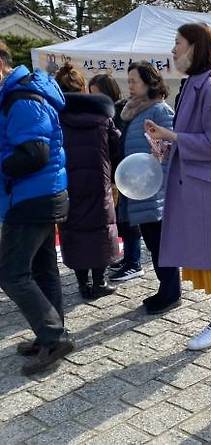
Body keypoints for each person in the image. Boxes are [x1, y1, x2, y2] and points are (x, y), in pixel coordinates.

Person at [145, 23, 211, 348]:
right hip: (200, 185)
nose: (174, 49)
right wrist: (163, 144)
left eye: (178, 43)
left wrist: (172, 136)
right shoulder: (192, 84)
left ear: (195, 47)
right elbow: (195, 137)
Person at [0, 41, 73, 375]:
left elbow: (34, 153)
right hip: (44, 194)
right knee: (43, 269)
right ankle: (51, 335)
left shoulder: (21, 98)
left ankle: (52, 335)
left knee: (12, 273)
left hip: (32, 197)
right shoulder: (23, 93)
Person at [116, 61, 181, 314]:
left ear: (149, 82)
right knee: (153, 243)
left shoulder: (160, 110)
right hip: (139, 187)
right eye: (129, 81)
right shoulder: (133, 110)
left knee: (159, 243)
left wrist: (157, 184)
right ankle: (165, 288)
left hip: (155, 189)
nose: (130, 85)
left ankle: (170, 292)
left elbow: (169, 150)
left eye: (134, 81)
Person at [55, 63, 120, 300]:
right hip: (97, 182)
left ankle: (83, 283)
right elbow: (116, 146)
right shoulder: (102, 116)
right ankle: (100, 281)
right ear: (83, 88)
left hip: (67, 183)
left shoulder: (55, 117)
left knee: (73, 230)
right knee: (100, 229)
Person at [88, 74, 144, 282]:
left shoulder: (120, 110)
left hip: (126, 170)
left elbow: (120, 142)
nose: (94, 97)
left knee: (130, 218)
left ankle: (134, 262)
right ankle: (128, 258)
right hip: (114, 171)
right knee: (122, 218)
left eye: (97, 93)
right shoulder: (105, 112)